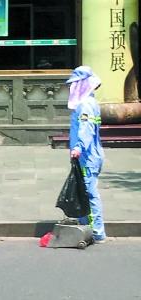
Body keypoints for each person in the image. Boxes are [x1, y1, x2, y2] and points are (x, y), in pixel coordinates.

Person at [66, 65, 106, 243]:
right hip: (88, 155)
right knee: (85, 191)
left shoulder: (85, 105)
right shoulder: (88, 103)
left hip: (88, 157)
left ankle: (96, 232)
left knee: (89, 193)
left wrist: (78, 148)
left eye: (74, 84)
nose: (71, 88)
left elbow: (86, 129)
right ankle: (87, 228)